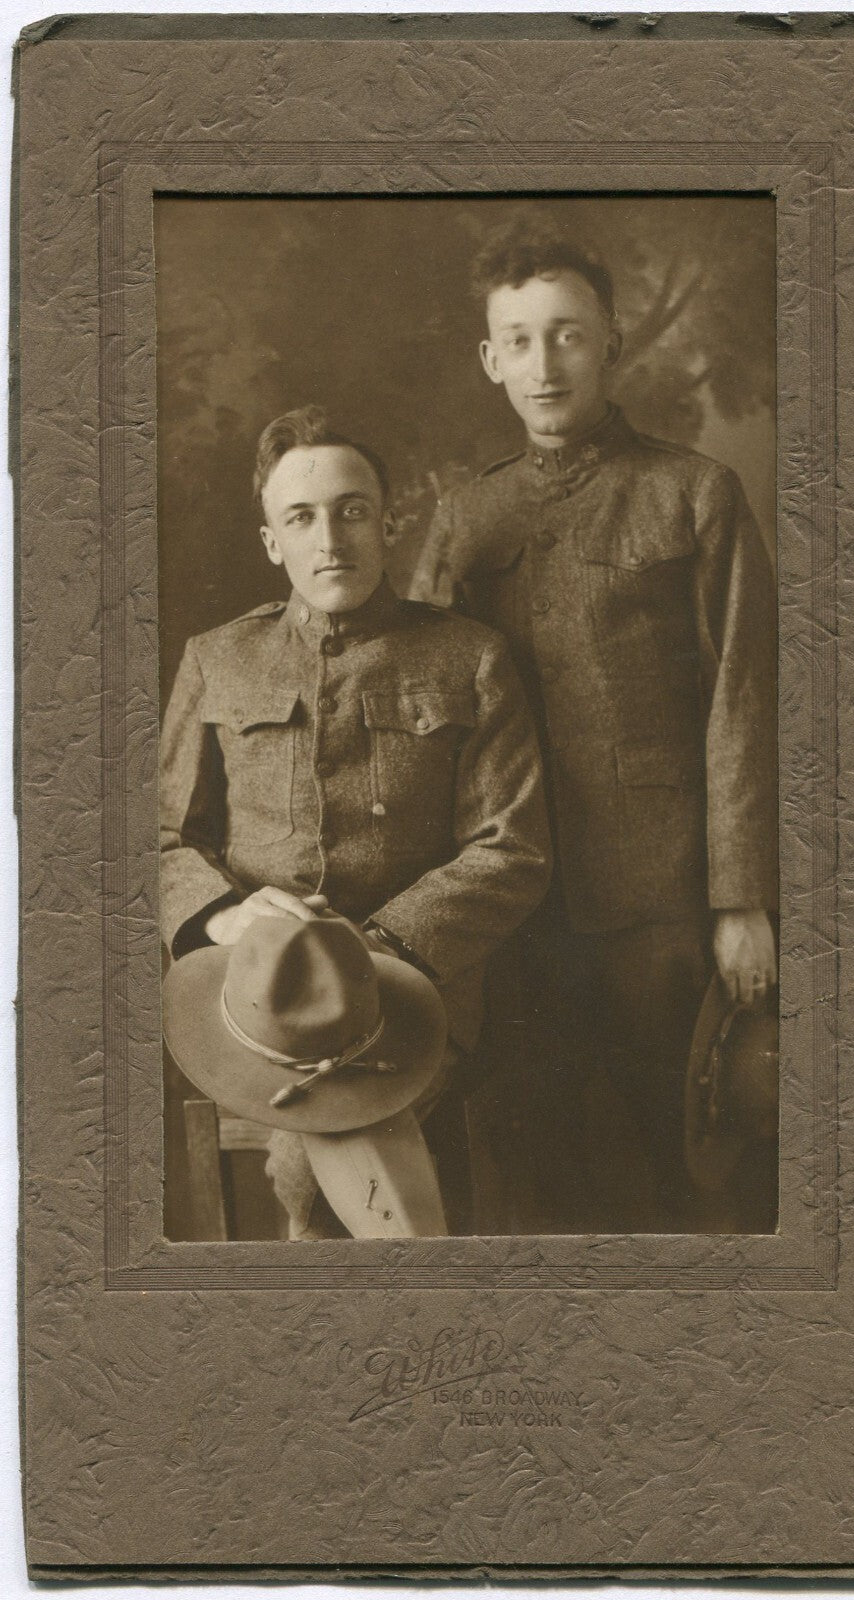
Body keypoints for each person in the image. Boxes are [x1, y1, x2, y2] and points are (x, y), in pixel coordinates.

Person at [412, 216, 777, 1230]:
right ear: (490, 359)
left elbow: (743, 699)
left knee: (698, 1174)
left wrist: (740, 898)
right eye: (519, 339)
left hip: (662, 906)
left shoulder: (692, 493)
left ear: (612, 339)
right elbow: (429, 721)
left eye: (568, 333)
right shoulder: (463, 519)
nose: (545, 363)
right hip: (516, 917)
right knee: (538, 1184)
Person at [160, 404, 551, 1238]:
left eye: (352, 510)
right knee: (317, 1125)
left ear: (390, 525)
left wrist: (371, 951)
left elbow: (511, 849)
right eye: (300, 517)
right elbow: (162, 839)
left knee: (311, 1149)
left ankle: (327, 1282)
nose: (329, 538)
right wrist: (228, 917)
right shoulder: (216, 658)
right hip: (258, 992)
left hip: (417, 985)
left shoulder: (468, 657)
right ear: (272, 542)